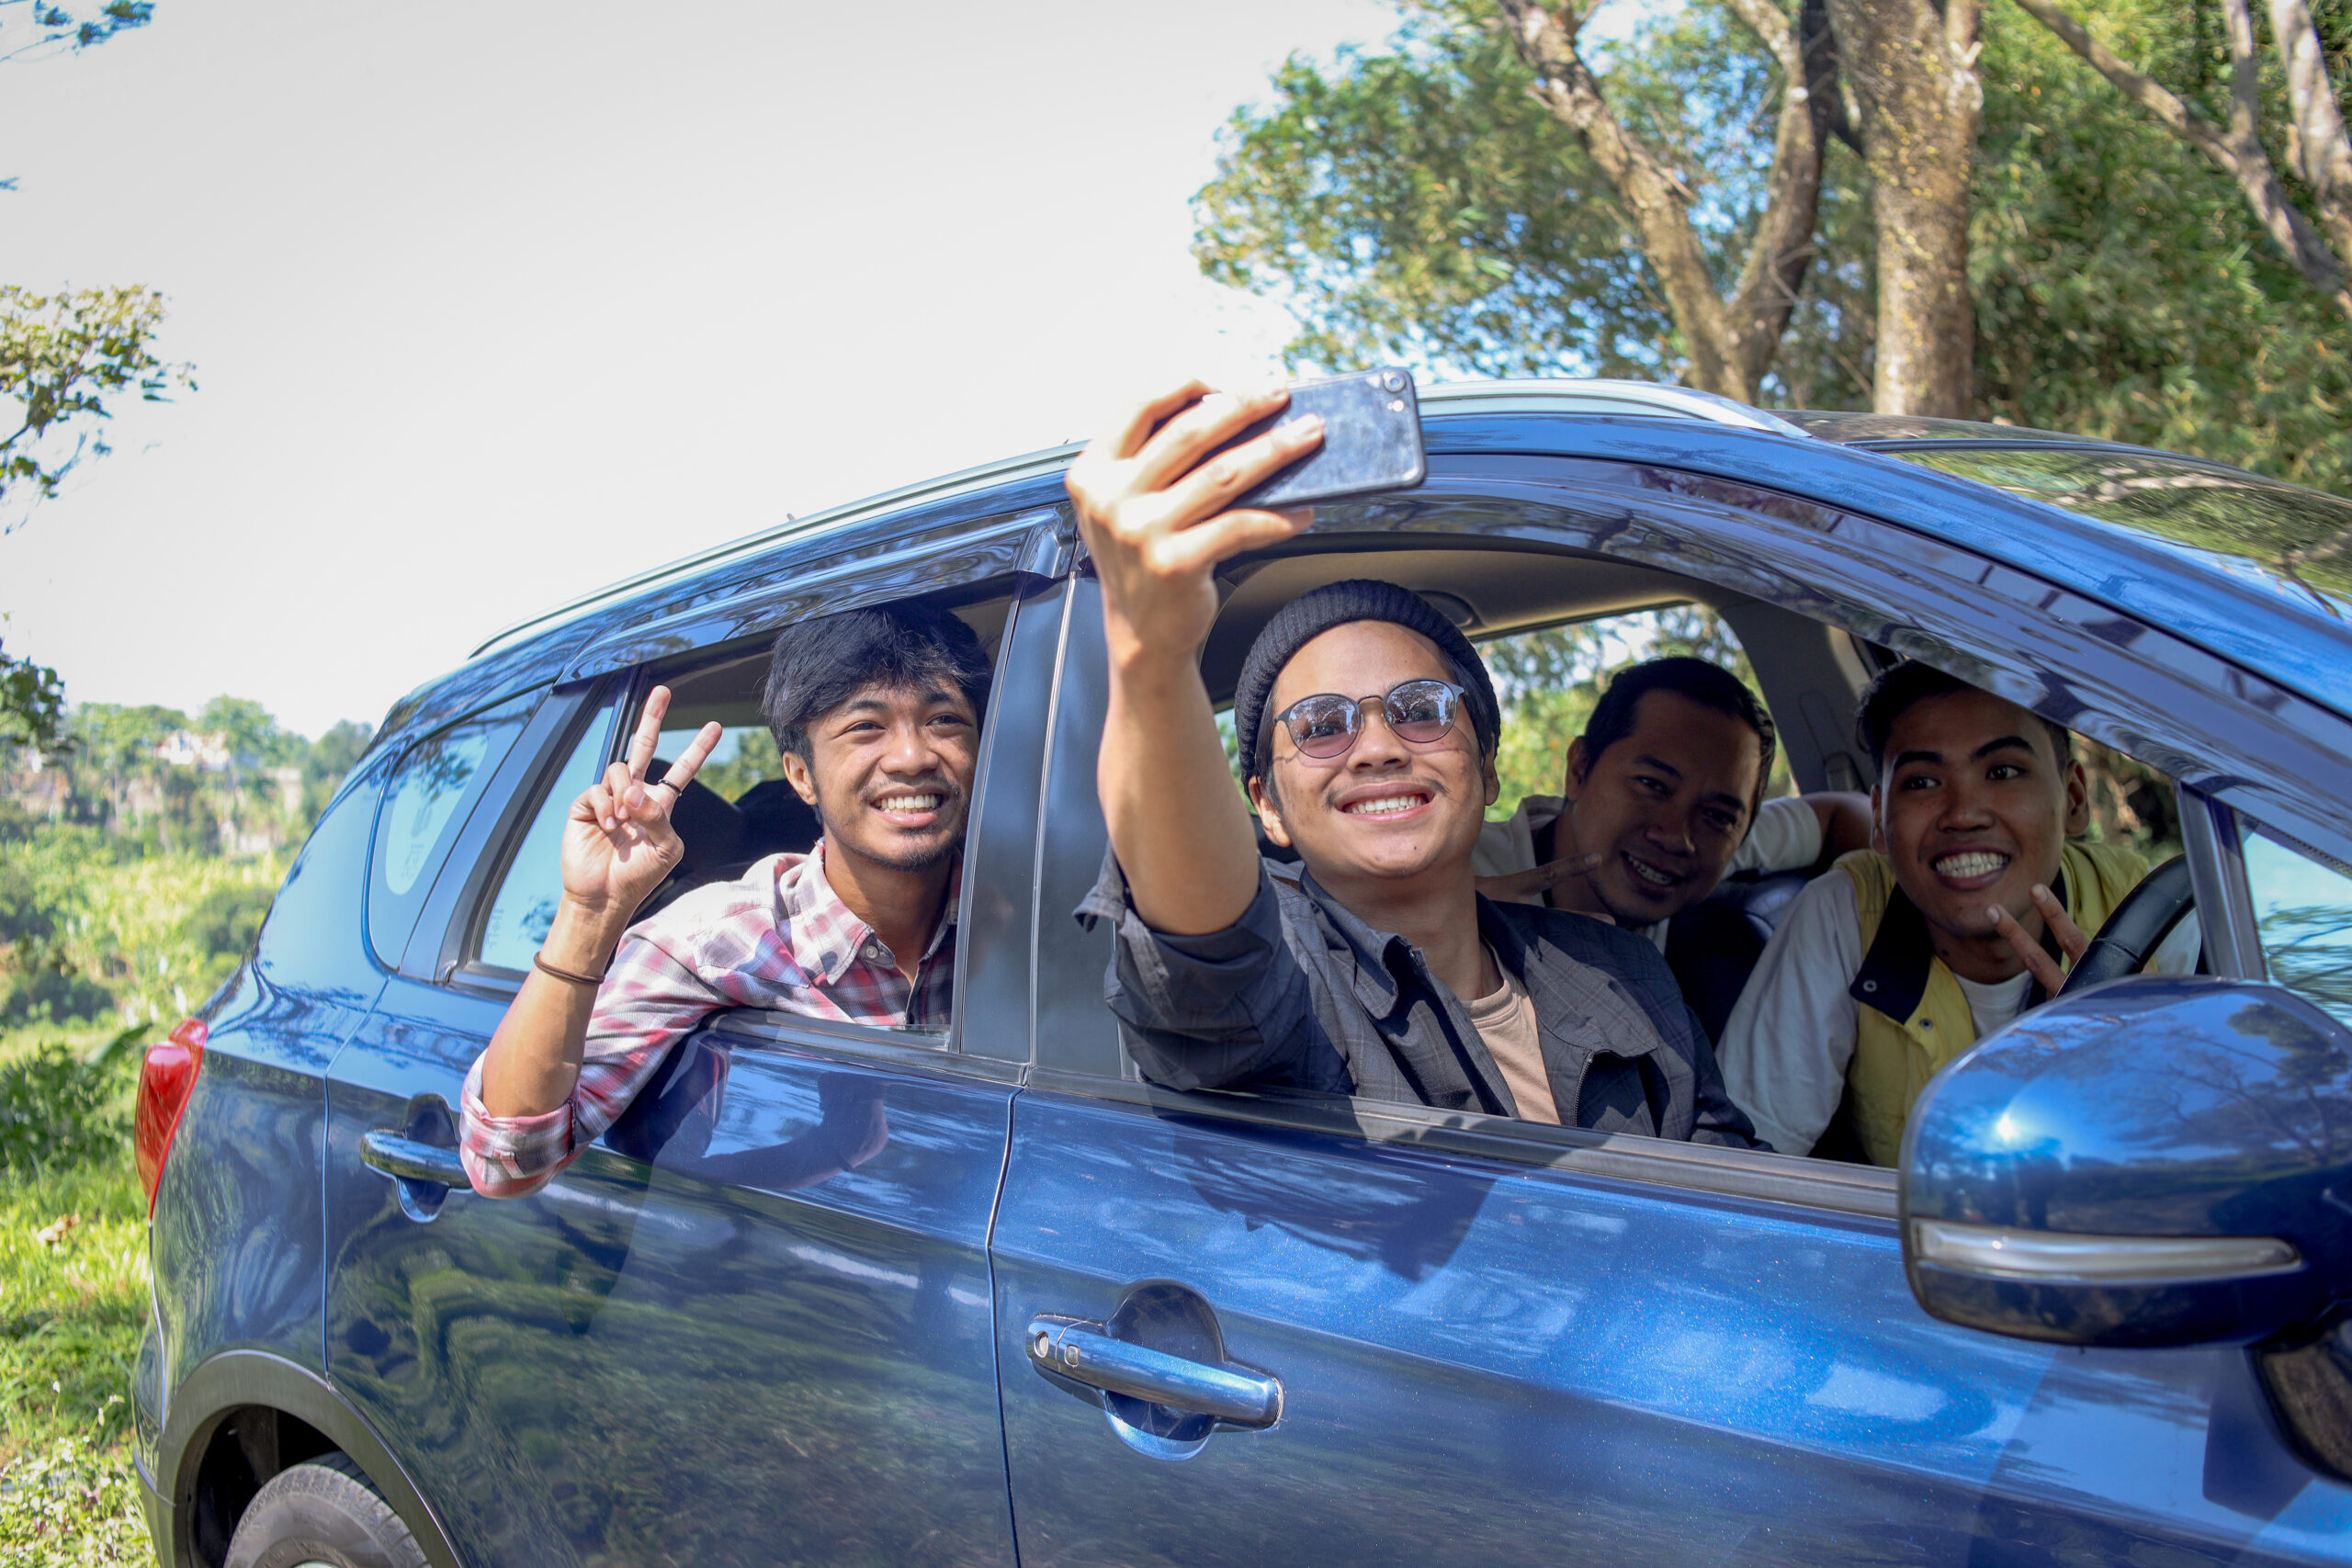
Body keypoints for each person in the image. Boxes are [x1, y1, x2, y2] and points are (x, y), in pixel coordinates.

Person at [1069, 379, 1758, 1145]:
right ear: (1266, 805)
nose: (1380, 746)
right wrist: (1151, 651)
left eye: (1421, 708)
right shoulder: (1291, 984)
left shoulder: (1624, 971)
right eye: (1322, 725)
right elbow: (1205, 955)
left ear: (1489, 771)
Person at [458, 601, 989, 1198]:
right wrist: (590, 911)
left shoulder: (1027, 919)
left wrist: (843, 1145)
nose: (913, 756)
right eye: (866, 727)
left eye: (944, 720)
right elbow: (506, 1160)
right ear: (800, 775)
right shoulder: (719, 940)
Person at [1717, 660, 2197, 1165]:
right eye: (1922, 782)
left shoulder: (2153, 918)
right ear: (1879, 821)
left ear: (2073, 798)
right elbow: (1747, 1165)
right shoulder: (1848, 913)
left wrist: (2144, 1088)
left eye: (2003, 772)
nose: (1964, 813)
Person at [1473, 655, 1872, 948]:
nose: (1676, 836)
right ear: (1579, 770)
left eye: (1717, 815)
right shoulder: (1456, 872)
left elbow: (1844, 813)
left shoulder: (1713, 843)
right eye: (1652, 784)